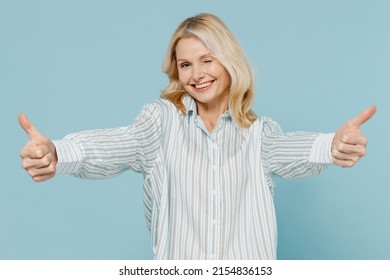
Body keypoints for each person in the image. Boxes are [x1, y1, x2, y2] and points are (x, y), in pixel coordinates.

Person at [18, 13, 376, 259]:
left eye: (207, 60)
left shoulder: (259, 134)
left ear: (228, 62)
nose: (197, 74)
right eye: (186, 64)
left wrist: (332, 145)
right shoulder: (160, 123)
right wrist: (58, 152)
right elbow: (115, 144)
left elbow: (292, 150)